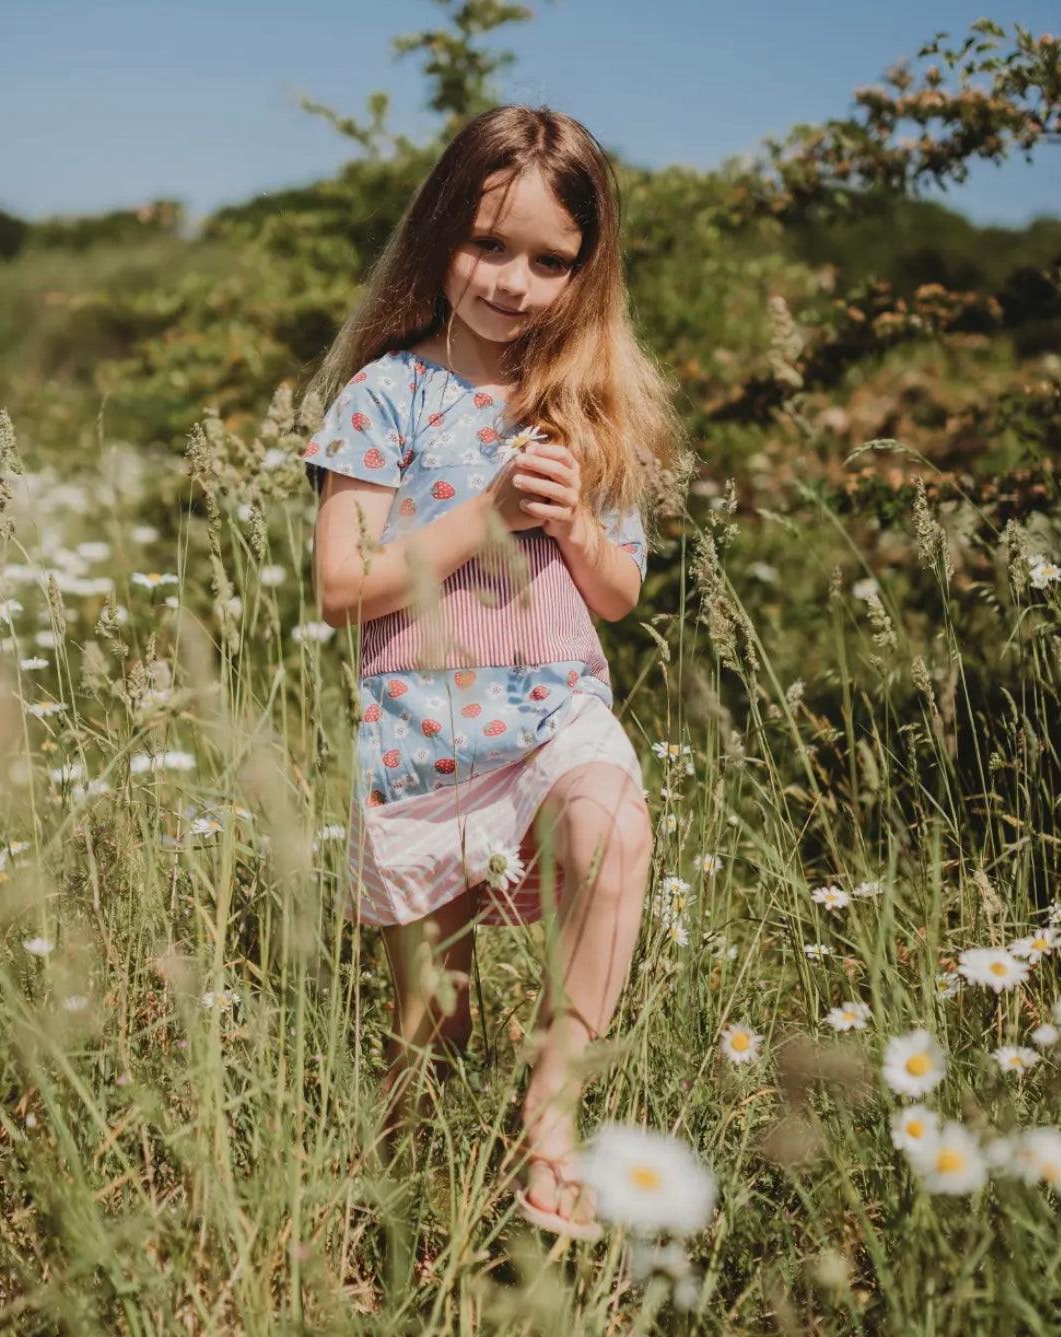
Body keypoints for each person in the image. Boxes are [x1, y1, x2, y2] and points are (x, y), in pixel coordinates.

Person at [303, 105, 681, 1240]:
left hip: (555, 706)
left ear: (585, 269)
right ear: (438, 235)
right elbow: (341, 586)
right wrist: (488, 512)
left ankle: (550, 1118)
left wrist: (572, 525)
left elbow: (618, 592)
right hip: (421, 728)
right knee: (434, 1024)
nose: (513, 282)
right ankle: (394, 1230)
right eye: (487, 245)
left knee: (611, 832)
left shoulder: (589, 402)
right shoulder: (385, 395)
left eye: (549, 260)